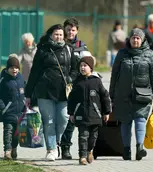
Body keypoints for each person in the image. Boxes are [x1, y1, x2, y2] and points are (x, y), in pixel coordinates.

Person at [25, 24, 78, 161]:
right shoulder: (43, 50)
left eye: (61, 34)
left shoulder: (69, 49)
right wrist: (28, 94)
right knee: (48, 121)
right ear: (50, 35)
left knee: (63, 119)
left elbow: (75, 69)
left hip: (63, 91)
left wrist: (70, 78)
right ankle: (51, 149)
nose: (59, 37)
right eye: (56, 34)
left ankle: (56, 142)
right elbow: (34, 72)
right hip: (45, 91)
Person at [109, 28, 153, 161]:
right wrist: (111, 95)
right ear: (129, 39)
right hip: (123, 94)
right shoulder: (122, 54)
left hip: (142, 94)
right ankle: (126, 149)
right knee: (125, 122)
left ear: (143, 40)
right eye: (133, 38)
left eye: (138, 38)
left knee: (140, 119)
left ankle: (139, 148)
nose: (135, 40)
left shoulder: (149, 54)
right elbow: (114, 75)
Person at [68, 55, 111, 165]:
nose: (82, 68)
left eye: (85, 66)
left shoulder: (96, 81)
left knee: (93, 137)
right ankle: (82, 156)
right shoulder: (77, 82)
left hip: (95, 115)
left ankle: (89, 151)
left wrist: (107, 112)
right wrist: (71, 113)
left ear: (91, 68)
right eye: (81, 66)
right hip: (81, 114)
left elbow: (105, 97)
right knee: (83, 136)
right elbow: (71, 99)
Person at [60, 17, 88, 160]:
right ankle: (55, 144)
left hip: (75, 88)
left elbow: (88, 62)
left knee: (71, 118)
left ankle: (65, 147)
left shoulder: (80, 46)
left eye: (73, 30)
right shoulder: (59, 43)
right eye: (68, 29)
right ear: (64, 29)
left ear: (77, 31)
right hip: (59, 86)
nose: (70, 32)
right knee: (60, 118)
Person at [0, 55, 25, 160]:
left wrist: (26, 104)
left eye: (16, 68)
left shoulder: (21, 78)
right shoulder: (3, 80)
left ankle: (14, 148)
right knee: (8, 132)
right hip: (8, 112)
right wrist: (3, 108)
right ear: (7, 69)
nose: (14, 70)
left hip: (19, 112)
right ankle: (7, 151)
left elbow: (24, 91)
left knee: (17, 134)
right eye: (11, 68)